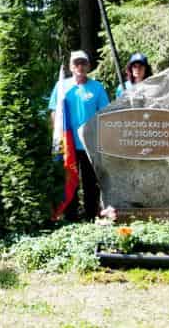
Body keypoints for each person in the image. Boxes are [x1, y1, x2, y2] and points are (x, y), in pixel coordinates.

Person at [48, 50, 109, 221]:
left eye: (83, 63)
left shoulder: (97, 88)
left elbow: (104, 114)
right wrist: (57, 137)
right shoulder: (61, 87)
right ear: (70, 67)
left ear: (88, 66)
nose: (80, 67)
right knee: (69, 183)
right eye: (76, 63)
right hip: (68, 145)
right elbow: (54, 112)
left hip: (89, 144)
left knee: (90, 184)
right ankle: (70, 218)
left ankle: (91, 217)